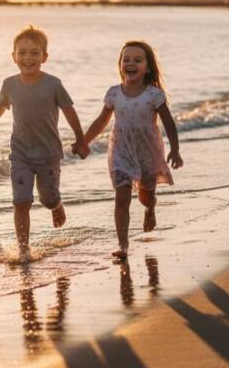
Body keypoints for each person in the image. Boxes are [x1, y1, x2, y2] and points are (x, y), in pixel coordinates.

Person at [0, 26, 87, 262]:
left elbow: (69, 111)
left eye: (34, 53)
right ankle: (23, 249)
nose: (27, 58)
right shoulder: (9, 84)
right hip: (20, 154)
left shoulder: (53, 84)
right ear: (13, 56)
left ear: (44, 57)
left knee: (47, 197)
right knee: (21, 201)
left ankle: (56, 205)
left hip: (48, 154)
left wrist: (81, 139)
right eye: (22, 52)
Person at [74, 41, 182, 259]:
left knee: (145, 196)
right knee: (122, 198)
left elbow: (169, 123)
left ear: (148, 67)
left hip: (147, 151)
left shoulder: (154, 95)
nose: (131, 63)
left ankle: (150, 208)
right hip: (121, 150)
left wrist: (175, 150)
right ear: (120, 65)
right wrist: (84, 141)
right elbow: (101, 121)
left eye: (137, 60)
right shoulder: (114, 94)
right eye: (126, 59)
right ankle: (123, 245)